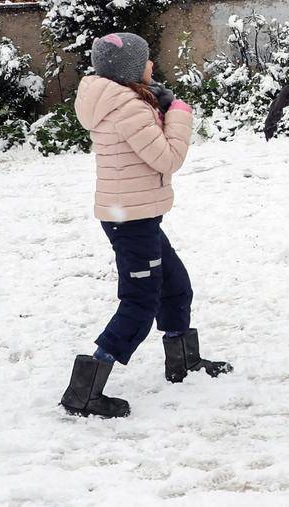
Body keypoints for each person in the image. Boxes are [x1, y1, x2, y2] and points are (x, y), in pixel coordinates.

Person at [59, 31, 232, 419]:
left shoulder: (121, 98)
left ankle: (183, 361)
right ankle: (84, 392)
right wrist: (180, 114)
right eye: (146, 59)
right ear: (130, 69)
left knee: (175, 285)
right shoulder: (127, 108)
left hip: (133, 214)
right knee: (140, 300)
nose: (152, 63)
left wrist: (161, 105)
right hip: (131, 218)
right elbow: (168, 158)